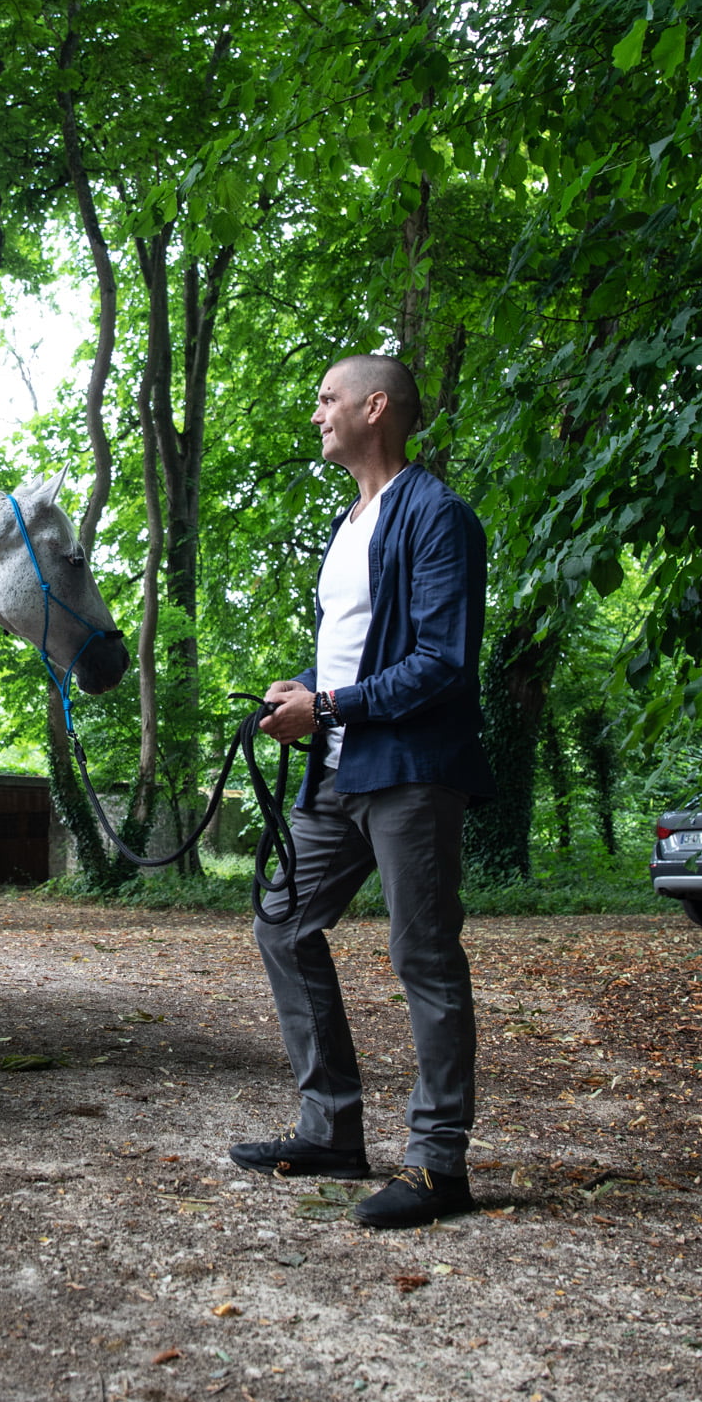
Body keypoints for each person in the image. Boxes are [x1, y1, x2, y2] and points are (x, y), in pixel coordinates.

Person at [232, 353, 495, 1228]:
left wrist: (331, 703)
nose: (317, 414)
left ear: (375, 407)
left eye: (327, 398)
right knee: (282, 922)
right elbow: (359, 650)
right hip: (339, 766)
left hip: (412, 771)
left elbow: (442, 663)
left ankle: (437, 1164)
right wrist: (299, 692)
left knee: (422, 955)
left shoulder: (437, 516)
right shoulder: (351, 522)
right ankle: (333, 1129)